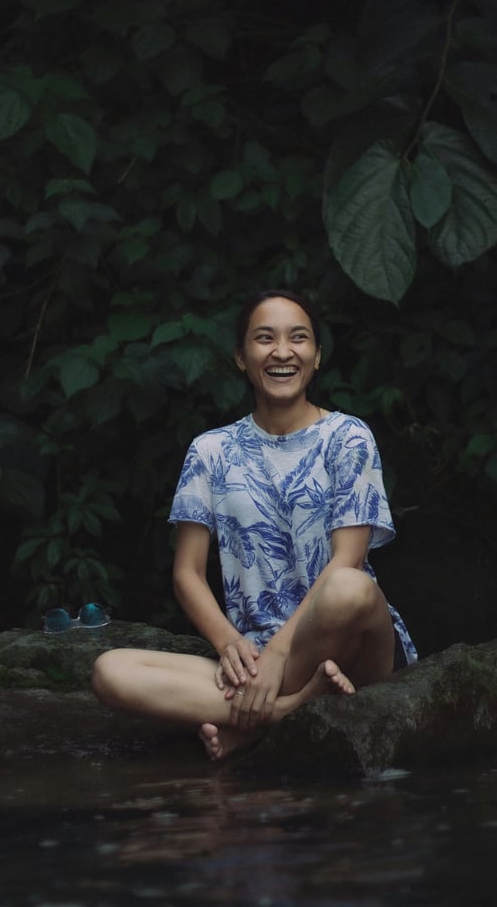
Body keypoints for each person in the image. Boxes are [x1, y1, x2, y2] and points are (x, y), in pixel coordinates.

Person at [91, 289, 417, 760]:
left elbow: (349, 560)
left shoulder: (348, 437)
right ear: (241, 358)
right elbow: (186, 572)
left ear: (317, 356)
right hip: (252, 659)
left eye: (298, 338)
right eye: (264, 339)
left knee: (350, 587)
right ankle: (291, 710)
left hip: (348, 646)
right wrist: (229, 644)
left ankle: (258, 720)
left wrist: (281, 654)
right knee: (109, 670)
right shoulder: (211, 451)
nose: (282, 352)